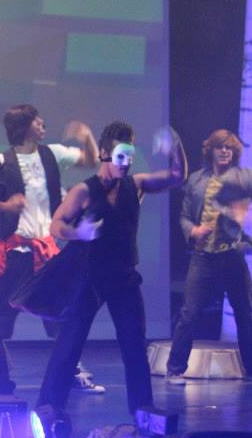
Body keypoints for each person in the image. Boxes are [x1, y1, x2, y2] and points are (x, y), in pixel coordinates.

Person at [36, 122, 187, 419]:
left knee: (134, 346)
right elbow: (56, 225)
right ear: (104, 154)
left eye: (130, 156)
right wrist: (79, 233)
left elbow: (176, 176)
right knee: (69, 344)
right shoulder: (84, 191)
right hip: (90, 278)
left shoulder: (136, 185)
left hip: (124, 277)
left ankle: (142, 411)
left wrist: (176, 144)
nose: (126, 162)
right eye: (120, 156)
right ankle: (48, 408)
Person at [0, 105, 104, 394]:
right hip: (16, 253)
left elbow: (91, 160)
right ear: (24, 126)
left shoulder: (53, 154)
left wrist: (86, 136)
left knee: (60, 314)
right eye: (36, 121)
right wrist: (5, 206)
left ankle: (71, 371)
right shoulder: (2, 162)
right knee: (0, 318)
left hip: (47, 252)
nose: (42, 124)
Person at [166, 129, 252, 385]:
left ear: (234, 152)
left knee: (245, 313)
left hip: (232, 255)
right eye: (220, 147)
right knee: (189, 314)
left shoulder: (244, 178)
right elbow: (184, 217)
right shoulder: (196, 180)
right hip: (203, 256)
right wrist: (193, 231)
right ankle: (175, 369)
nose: (225, 151)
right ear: (211, 151)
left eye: (229, 147)